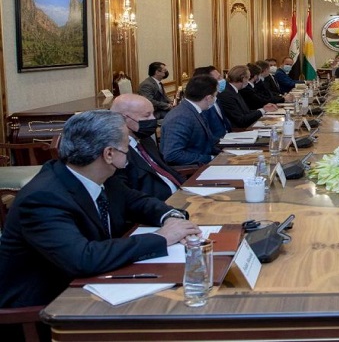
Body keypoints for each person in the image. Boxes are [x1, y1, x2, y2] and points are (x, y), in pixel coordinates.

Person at [0, 110, 201, 309]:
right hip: (47, 307)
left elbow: (138, 202)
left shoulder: (98, 175)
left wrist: (171, 217)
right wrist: (162, 237)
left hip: (95, 284)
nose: (129, 153)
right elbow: (83, 258)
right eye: (126, 147)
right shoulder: (43, 198)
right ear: (109, 154)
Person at [108, 94, 185, 201]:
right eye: (146, 116)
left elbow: (165, 168)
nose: (153, 119)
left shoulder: (146, 140)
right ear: (124, 119)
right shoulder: (117, 153)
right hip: (160, 204)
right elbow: (130, 197)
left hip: (182, 194)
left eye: (153, 114)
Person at [160, 75, 222, 166]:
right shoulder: (181, 117)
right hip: (192, 169)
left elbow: (208, 142)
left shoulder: (194, 110)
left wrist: (224, 153)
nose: (215, 99)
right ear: (208, 98)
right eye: (215, 96)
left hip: (203, 161)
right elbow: (172, 155)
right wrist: (211, 159)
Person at [193, 66, 231, 140]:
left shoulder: (216, 99)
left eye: (221, 77)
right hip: (217, 143)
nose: (223, 80)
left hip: (228, 138)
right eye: (218, 78)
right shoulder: (202, 105)